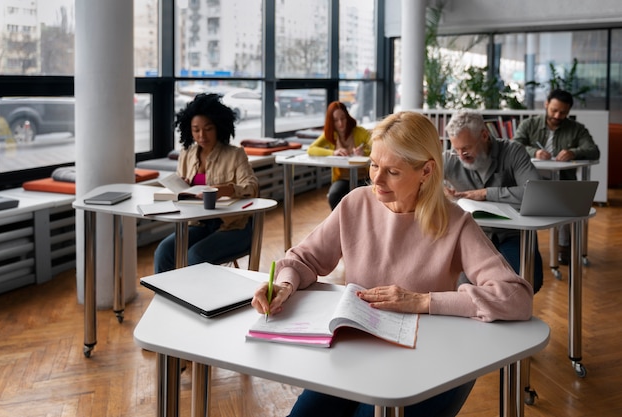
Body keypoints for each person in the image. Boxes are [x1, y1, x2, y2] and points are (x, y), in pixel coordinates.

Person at [252, 111, 533, 417]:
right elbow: (303, 258)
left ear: (426, 171)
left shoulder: (456, 222)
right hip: (356, 350)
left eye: (393, 172)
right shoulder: (356, 203)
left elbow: (515, 298)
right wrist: (283, 285)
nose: (376, 179)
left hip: (428, 360)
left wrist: (423, 301)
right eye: (374, 165)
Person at [153, 93, 259, 273]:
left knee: (196, 256)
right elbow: (184, 189)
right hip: (199, 224)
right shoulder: (187, 154)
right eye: (196, 130)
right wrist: (183, 184)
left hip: (234, 226)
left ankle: (196, 300)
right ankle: (167, 299)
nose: (201, 135)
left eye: (208, 128)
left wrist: (226, 189)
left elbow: (252, 187)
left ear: (218, 127)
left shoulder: (235, 154)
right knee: (163, 252)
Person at [444, 109, 545, 293]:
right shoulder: (451, 157)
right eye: (456, 148)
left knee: (529, 282)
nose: (460, 155)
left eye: (465, 148)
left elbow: (535, 192)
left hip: (513, 233)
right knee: (463, 288)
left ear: (484, 135)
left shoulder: (513, 151)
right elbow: (420, 177)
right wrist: (436, 189)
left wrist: (486, 193)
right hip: (473, 235)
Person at [512, 89, 600, 265]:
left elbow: (593, 150)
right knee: (520, 202)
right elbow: (515, 144)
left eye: (563, 112)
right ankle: (523, 249)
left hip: (563, 180)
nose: (558, 115)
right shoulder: (529, 124)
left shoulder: (577, 129)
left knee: (566, 203)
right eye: (554, 110)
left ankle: (564, 247)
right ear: (546, 104)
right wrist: (534, 151)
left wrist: (573, 152)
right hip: (531, 179)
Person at [307, 101, 372, 209]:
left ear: (347, 116)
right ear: (331, 122)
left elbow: (377, 147)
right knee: (334, 195)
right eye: (336, 120)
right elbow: (311, 149)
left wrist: (364, 153)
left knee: (359, 200)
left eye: (343, 118)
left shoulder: (359, 132)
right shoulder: (330, 135)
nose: (340, 123)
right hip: (342, 178)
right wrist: (333, 152)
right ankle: (339, 223)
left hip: (364, 177)